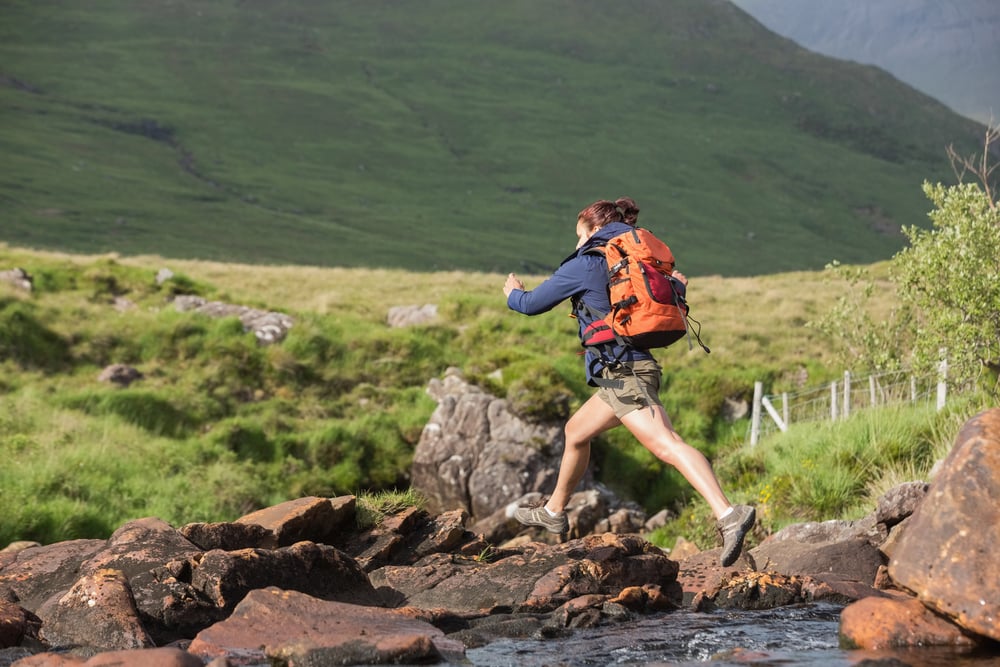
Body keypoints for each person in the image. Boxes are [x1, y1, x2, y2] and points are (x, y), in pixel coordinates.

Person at [502, 197, 755, 567]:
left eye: (578, 234)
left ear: (591, 231)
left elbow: (530, 304)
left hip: (625, 373)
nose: (576, 242)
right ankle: (555, 510)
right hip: (627, 369)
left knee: (667, 445)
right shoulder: (637, 260)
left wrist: (512, 293)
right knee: (576, 432)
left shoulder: (586, 263)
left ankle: (728, 514)